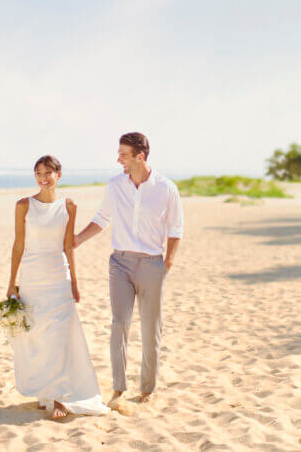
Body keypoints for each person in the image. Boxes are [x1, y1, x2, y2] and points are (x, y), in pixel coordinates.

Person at [74, 132, 184, 404]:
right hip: (120, 263)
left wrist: (166, 263)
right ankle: (119, 388)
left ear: (140, 156)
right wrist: (76, 240)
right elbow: (102, 219)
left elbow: (175, 228)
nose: (118, 159)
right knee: (119, 324)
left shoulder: (166, 188)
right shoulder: (114, 186)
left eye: (123, 154)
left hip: (152, 264)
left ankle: (147, 388)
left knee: (150, 328)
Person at [6, 155, 109, 418]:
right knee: (39, 336)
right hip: (32, 277)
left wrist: (75, 282)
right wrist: (12, 284)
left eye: (48, 172)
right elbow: (18, 245)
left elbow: (68, 245)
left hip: (58, 277)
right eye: (38, 173)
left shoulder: (69, 206)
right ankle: (46, 394)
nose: (43, 177)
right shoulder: (23, 206)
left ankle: (62, 398)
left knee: (60, 337)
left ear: (58, 175)